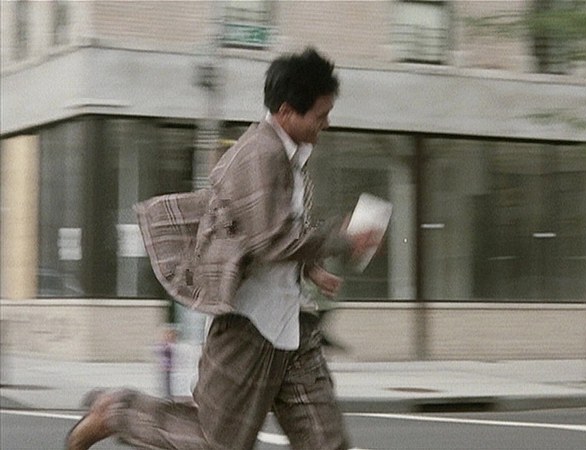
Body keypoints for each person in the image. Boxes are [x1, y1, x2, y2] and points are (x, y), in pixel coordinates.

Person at [66, 47, 381, 450]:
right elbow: (270, 239)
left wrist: (310, 269)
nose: (327, 123)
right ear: (287, 111)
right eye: (321, 115)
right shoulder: (259, 155)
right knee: (214, 442)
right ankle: (116, 412)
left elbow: (271, 233)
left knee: (326, 442)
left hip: (293, 327)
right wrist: (344, 238)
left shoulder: (292, 159)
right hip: (248, 329)